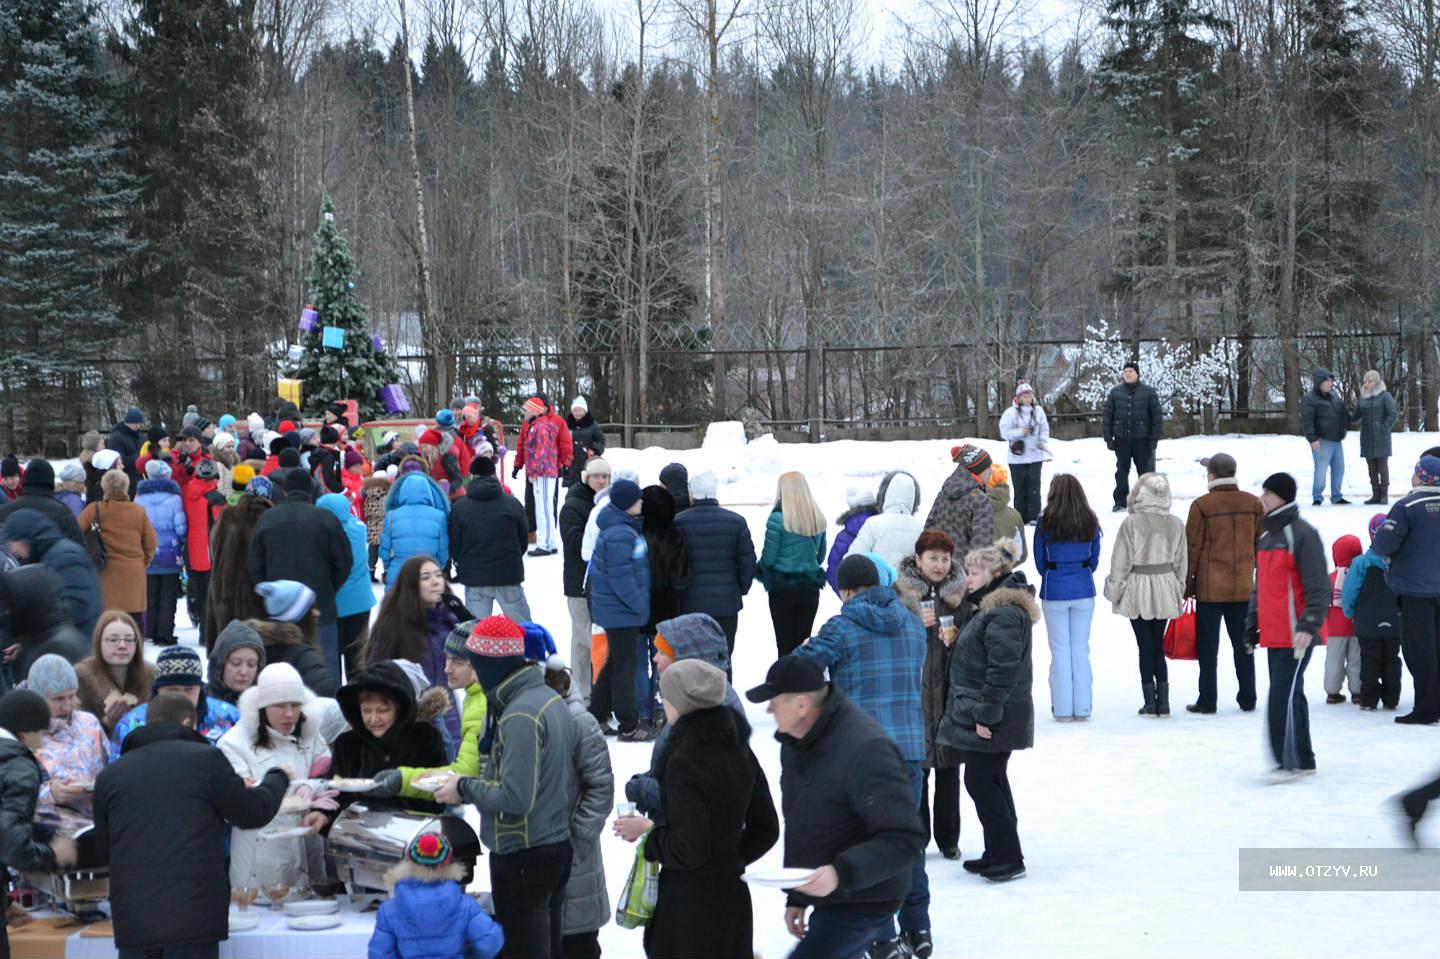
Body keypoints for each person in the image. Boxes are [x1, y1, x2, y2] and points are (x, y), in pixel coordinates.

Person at [744, 656, 925, 959]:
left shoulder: (864, 750)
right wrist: (798, 894)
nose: (769, 710)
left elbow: (904, 837)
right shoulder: (799, 743)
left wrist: (841, 873)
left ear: (801, 704)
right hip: (832, 890)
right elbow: (806, 825)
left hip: (866, 897)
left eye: (774, 702)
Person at [799, 552, 930, 958]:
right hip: (908, 748)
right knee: (906, 842)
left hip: (862, 754)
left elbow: (798, 671)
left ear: (846, 590)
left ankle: (882, 936)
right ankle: (919, 928)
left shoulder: (841, 625)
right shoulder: (912, 623)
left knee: (869, 845)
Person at [95, 689, 288, 959]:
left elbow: (105, 849)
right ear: (187, 723)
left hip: (134, 922)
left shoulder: (110, 776)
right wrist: (277, 778)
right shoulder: (206, 761)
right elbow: (252, 813)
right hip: (193, 920)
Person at [612, 660, 778, 959]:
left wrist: (651, 835)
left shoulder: (684, 762)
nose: (664, 705)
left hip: (689, 908)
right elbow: (767, 829)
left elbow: (689, 849)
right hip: (732, 901)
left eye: (666, 698)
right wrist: (728, 858)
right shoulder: (741, 750)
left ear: (682, 704)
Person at [432, 616, 577, 959]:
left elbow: (515, 797)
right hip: (552, 846)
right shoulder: (546, 698)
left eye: (476, 665)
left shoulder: (520, 715)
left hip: (525, 853)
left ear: (491, 664)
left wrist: (463, 787)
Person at [935, 540, 1036, 883]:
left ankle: (1007, 856)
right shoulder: (989, 607)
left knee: (981, 780)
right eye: (967, 571)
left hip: (995, 716)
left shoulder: (1003, 612)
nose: (967, 578)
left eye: (974, 572)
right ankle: (1001, 851)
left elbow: (1002, 669)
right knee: (990, 779)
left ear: (994, 574)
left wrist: (986, 716)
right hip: (994, 713)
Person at [218, 663, 331, 894]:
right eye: (280, 705)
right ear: (261, 707)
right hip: (258, 871)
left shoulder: (310, 734)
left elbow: (328, 776)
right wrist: (301, 789)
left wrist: (315, 789)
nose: (289, 714)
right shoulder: (233, 743)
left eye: (295, 705)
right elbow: (241, 802)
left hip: (309, 862)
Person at [1245, 473, 1328, 780]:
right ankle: (1303, 760)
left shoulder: (1302, 534)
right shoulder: (1266, 536)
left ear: (1283, 496)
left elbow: (1318, 586)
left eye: (1268, 492)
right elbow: (1261, 587)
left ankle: (1285, 762)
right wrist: (1252, 623)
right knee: (1292, 695)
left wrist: (1308, 625)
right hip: (1274, 633)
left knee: (1281, 695)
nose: (1263, 497)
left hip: (1297, 635)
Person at [624, 612, 744, 819]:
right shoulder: (693, 697)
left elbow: (698, 793)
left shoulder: (712, 711)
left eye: (662, 652)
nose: (655, 658)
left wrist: (643, 790)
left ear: (686, 658)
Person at [895, 530, 965, 858]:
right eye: (933, 558)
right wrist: (914, 624)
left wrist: (957, 636)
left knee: (950, 768)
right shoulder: (901, 594)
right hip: (914, 693)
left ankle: (949, 838)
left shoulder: (960, 593)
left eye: (945, 558)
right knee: (917, 768)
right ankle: (918, 837)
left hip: (950, 691)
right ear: (918, 559)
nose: (939, 565)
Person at [248, 468, 353, 684]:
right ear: (312, 490)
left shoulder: (268, 518)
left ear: (285, 491)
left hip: (279, 609)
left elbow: (254, 563)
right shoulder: (326, 519)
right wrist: (328, 587)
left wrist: (270, 592)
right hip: (320, 604)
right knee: (325, 670)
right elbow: (344, 561)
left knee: (281, 672)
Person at [541, 659, 613, 959]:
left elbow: (601, 788)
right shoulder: (523, 716)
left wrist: (575, 840)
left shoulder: (578, 721)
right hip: (538, 863)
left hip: (575, 862)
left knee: (576, 944)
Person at [1183, 453, 1264, 714]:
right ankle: (1248, 696)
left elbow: (1192, 550)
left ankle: (1207, 699)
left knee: (1208, 650)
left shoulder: (1202, 506)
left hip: (1210, 590)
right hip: (1242, 587)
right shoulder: (1253, 504)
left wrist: (1187, 586)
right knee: (1244, 646)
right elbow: (1260, 545)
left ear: (1212, 476)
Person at [1, 688, 77, 958]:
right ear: (23, 734)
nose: (43, 743)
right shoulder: (17, 765)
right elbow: (10, 842)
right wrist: (53, 855)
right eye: (42, 734)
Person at [365, 556, 471, 749]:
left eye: (439, 575)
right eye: (426, 577)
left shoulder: (450, 618)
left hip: (449, 712)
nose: (436, 581)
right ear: (411, 585)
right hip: (410, 719)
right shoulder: (394, 624)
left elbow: (482, 652)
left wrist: (467, 618)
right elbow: (375, 673)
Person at [1105, 472, 1186, 717]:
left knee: (1145, 645)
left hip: (1138, 585)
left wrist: (1115, 590)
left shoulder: (1131, 523)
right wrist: (1178, 587)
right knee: (1157, 644)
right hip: (1164, 584)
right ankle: (1164, 702)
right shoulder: (1175, 523)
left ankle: (1150, 701)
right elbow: (1182, 561)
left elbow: (1120, 561)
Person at [329, 661, 449, 817]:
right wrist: (324, 813)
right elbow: (334, 793)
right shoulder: (347, 744)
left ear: (399, 709)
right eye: (366, 711)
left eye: (382, 710)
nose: (373, 719)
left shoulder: (424, 739)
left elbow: (437, 797)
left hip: (412, 831)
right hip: (357, 834)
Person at [1371, 454, 1440, 725]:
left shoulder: (1407, 506)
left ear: (1422, 476)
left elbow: (1384, 544)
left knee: (1419, 651)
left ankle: (1426, 708)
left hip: (1415, 591)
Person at [369, 832, 505, 959]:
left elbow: (379, 953)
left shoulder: (389, 910)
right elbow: (491, 939)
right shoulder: (465, 906)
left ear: (410, 861)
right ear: (446, 863)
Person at [588, 479, 652, 741]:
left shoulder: (622, 527)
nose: (641, 502)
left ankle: (597, 714)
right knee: (625, 666)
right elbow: (620, 578)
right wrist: (640, 605)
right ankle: (628, 723)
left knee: (615, 662)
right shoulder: (620, 533)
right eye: (637, 498)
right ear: (627, 503)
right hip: (621, 611)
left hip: (617, 609)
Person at [1034, 475, 1101, 721]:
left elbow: (1040, 562)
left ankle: (1062, 709)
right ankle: (1083, 707)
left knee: (1060, 651)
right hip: (1083, 590)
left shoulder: (1046, 523)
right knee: (1080, 650)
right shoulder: (1090, 521)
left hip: (1055, 590)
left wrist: (1056, 572)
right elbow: (1094, 560)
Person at [673, 469, 756, 667]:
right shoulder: (736, 522)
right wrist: (739, 588)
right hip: (726, 603)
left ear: (692, 494)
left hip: (690, 603)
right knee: (722, 659)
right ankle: (723, 696)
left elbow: (673, 563)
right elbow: (748, 561)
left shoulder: (679, 523)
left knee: (694, 662)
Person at [110, 645, 241, 758]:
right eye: (173, 690)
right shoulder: (131, 724)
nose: (182, 697)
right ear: (158, 691)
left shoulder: (230, 718)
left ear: (200, 689)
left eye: (189, 690)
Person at [450, 453, 531, 622]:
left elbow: (455, 544)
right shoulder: (511, 503)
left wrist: (462, 563)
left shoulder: (460, 507)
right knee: (522, 630)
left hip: (475, 577)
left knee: (476, 633)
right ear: (493, 474)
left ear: (472, 476)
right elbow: (523, 539)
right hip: (508, 574)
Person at [1, 509, 102, 640]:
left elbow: (75, 607)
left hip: (78, 643)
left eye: (12, 544)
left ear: (26, 539)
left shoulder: (67, 556)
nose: (12, 550)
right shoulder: (50, 556)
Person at [757, 471, 828, 658]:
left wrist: (760, 569)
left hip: (782, 589)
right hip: (810, 588)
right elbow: (819, 557)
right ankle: (803, 683)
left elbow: (769, 559)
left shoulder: (777, 519)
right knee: (803, 643)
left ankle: (786, 683)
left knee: (784, 644)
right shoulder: (817, 518)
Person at [639, 485, 691, 730]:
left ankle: (642, 713)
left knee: (640, 663)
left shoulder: (635, 535)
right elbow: (682, 578)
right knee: (663, 661)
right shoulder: (675, 537)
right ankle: (662, 709)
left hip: (639, 607)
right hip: (667, 607)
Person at [30, 654, 107, 814]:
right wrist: (49, 793)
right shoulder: (24, 733)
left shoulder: (89, 722)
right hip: (51, 826)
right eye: (58, 699)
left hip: (98, 818)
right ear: (37, 698)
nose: (67, 706)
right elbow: (11, 795)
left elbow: (111, 765)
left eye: (71, 696)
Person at [1341, 514, 1404, 710]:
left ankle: (1369, 700)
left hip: (1367, 621)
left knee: (1369, 659)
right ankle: (1391, 699)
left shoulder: (1361, 563)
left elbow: (1350, 590)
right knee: (1392, 659)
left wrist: (1350, 611)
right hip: (1395, 620)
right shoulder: (1400, 561)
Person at [561, 458, 610, 702]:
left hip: (601, 583)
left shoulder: (609, 503)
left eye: (605, 477)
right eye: (597, 476)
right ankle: (586, 692)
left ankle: (588, 691)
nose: (601, 481)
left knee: (585, 640)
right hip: (578, 583)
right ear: (586, 478)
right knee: (585, 638)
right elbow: (574, 543)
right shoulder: (573, 506)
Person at [203, 478, 273, 646]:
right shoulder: (269, 518)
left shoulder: (226, 515)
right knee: (254, 651)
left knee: (226, 649)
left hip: (223, 589)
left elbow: (213, 548)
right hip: (256, 596)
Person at [78, 470, 154, 620]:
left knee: (105, 625)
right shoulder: (138, 512)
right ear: (126, 487)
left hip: (103, 572)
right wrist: (141, 562)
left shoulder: (94, 509)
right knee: (132, 624)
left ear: (104, 488)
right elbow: (151, 544)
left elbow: (75, 533)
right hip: (133, 574)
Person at [316, 492, 377, 679]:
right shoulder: (359, 529)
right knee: (357, 658)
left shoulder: (323, 535)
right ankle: (358, 698)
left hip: (334, 604)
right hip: (360, 603)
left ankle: (337, 700)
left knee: (330, 658)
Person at [74, 612, 153, 737]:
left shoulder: (151, 676)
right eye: (113, 640)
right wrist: (106, 723)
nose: (122, 646)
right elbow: (78, 736)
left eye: (128, 639)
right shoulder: (81, 678)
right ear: (99, 643)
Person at [135, 460, 186, 644]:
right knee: (169, 594)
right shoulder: (174, 499)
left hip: (147, 552)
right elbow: (180, 528)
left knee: (150, 593)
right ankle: (165, 633)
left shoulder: (139, 499)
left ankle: (149, 630)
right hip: (171, 552)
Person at [514, 395, 573, 556]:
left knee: (544, 508)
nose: (524, 414)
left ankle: (545, 544)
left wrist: (533, 472)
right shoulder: (537, 425)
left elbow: (540, 453)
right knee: (543, 507)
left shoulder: (540, 428)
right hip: (542, 472)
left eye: (526, 411)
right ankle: (549, 541)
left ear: (534, 411)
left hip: (543, 473)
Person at [1102, 361, 1164, 511]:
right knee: (1121, 472)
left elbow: (1157, 417)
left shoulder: (1148, 392)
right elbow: (1107, 416)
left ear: (1137, 374)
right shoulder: (1115, 393)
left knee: (1144, 472)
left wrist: (1153, 439)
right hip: (1122, 440)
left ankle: (1146, 501)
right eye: (1125, 371)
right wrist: (1108, 437)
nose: (1127, 374)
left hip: (1142, 440)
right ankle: (1120, 501)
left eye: (1130, 371)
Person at [181, 459, 227, 646]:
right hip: (210, 552)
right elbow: (221, 524)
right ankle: (208, 634)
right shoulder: (215, 497)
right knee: (212, 594)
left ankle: (202, 631)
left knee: (199, 593)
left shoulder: (187, 493)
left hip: (191, 551)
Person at [380, 470, 450, 589]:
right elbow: (443, 549)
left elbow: (385, 547)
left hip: (398, 572)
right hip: (428, 572)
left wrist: (388, 565)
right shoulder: (439, 516)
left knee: (398, 606)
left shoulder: (391, 516)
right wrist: (438, 566)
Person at [923, 445, 996, 552]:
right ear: (978, 470)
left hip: (940, 563)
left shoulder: (943, 494)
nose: (991, 472)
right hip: (964, 566)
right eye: (988, 467)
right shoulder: (980, 500)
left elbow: (928, 529)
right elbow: (982, 545)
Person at [849, 471, 923, 572]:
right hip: (908, 586)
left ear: (888, 494)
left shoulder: (874, 523)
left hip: (877, 585)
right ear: (912, 498)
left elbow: (853, 559)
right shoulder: (920, 528)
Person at [998, 382, 1049, 524]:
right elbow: (1004, 433)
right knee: (1020, 488)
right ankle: (1020, 517)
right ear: (1019, 398)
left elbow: (1045, 428)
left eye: (1030, 396)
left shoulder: (1039, 411)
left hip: (1036, 456)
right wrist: (1021, 432)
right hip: (1017, 458)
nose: (1028, 399)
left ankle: (1034, 516)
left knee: (1034, 487)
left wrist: (1043, 441)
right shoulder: (1010, 413)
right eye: (1025, 396)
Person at [0, 459, 85, 544]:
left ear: (25, 479)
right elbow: (79, 550)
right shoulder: (63, 513)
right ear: (51, 482)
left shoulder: (4, 511)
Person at [1323, 535, 1364, 705]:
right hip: (1357, 625)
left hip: (1335, 628)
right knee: (1356, 660)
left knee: (1334, 660)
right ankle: (1357, 692)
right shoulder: (1361, 576)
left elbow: (1322, 600)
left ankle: (1332, 692)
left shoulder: (1330, 578)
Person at [1301, 367, 1351, 505]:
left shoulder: (1334, 397)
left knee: (1339, 469)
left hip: (1337, 440)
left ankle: (1337, 496)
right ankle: (1317, 497)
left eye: (1331, 381)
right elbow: (1307, 420)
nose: (1331, 384)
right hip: (1321, 440)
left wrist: (1349, 424)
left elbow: (1343, 415)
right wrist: (1312, 438)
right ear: (1319, 382)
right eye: (1328, 381)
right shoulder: (1310, 399)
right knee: (1321, 470)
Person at [1352, 370, 1399, 504]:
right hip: (1366, 437)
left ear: (1377, 382)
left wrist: (1383, 428)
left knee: (1382, 467)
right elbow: (1356, 416)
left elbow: (1393, 414)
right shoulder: (1363, 398)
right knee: (1371, 467)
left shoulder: (1385, 396)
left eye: (1370, 381)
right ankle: (1375, 495)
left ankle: (1384, 495)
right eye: (1365, 381)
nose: (1367, 384)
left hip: (1381, 437)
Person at [826, 486, 879, 594]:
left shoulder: (844, 537)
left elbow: (833, 571)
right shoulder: (884, 529)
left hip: (853, 599)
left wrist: (847, 597)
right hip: (884, 601)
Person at [206, 619, 266, 705]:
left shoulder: (267, 705)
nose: (243, 672)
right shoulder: (202, 703)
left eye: (251, 665)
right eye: (236, 663)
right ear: (220, 666)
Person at [984, 465, 1028, 564]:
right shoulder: (1014, 516)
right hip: (1004, 575)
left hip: (976, 574)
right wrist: (1004, 568)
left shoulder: (972, 511)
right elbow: (1021, 555)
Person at [564, 397, 606, 488]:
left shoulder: (592, 425)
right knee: (572, 490)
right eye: (575, 410)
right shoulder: (567, 425)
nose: (577, 413)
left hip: (587, 461)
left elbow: (600, 441)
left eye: (580, 410)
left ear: (585, 411)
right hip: (571, 463)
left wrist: (593, 451)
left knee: (586, 487)